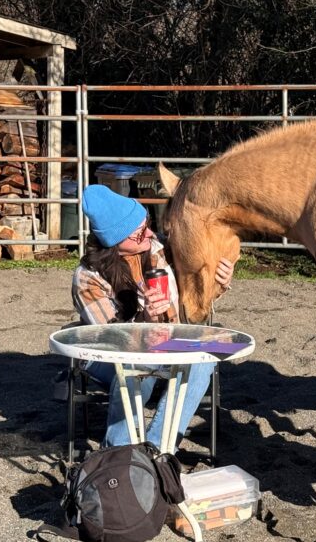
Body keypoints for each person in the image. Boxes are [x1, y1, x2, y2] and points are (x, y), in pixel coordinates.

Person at [73, 184, 234, 449]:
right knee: (137, 370)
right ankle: (120, 449)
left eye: (147, 223)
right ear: (115, 241)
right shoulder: (88, 278)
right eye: (139, 233)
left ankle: (159, 448)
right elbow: (112, 341)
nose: (150, 232)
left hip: (167, 344)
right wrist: (144, 318)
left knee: (203, 361)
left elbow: (193, 299)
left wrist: (219, 282)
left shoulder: (159, 249)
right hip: (106, 354)